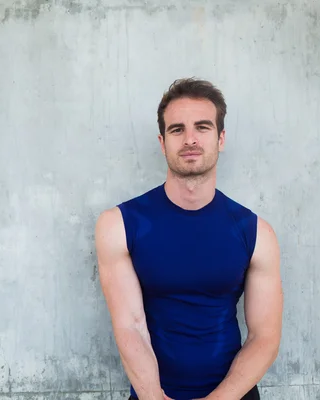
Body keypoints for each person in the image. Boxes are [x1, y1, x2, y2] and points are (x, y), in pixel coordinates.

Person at [94, 78, 283, 400]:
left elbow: (264, 337)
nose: (190, 139)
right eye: (177, 129)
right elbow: (131, 326)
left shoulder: (256, 232)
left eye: (203, 127)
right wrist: (154, 397)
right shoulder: (120, 225)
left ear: (221, 138)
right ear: (162, 141)